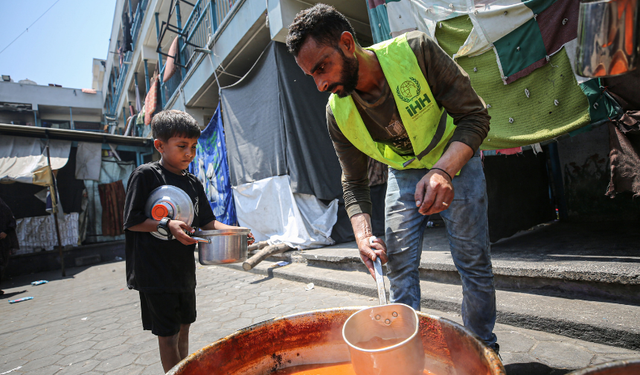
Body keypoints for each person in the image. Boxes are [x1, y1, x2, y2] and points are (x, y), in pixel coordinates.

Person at [286, 4, 498, 351]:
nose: (321, 83)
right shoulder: (337, 113)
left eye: (322, 66)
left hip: (454, 158)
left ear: (347, 43)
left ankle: (483, 350)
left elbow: (475, 117)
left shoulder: (415, 51)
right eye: (312, 75)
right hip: (404, 171)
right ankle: (405, 354)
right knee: (397, 268)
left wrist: (443, 170)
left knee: (473, 263)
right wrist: (363, 235)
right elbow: (353, 182)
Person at [123, 109, 252, 372]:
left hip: (182, 270)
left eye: (193, 146)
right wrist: (167, 224)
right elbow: (131, 220)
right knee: (168, 336)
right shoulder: (146, 175)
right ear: (160, 145)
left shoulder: (193, 182)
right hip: (154, 273)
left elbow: (207, 221)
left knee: (184, 329)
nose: (189, 153)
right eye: (182, 146)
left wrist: (234, 231)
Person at [0, 197, 19, 295]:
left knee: (2, 263)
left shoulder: (3, 207)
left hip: (3, 241)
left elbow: (10, 220)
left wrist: (5, 232)